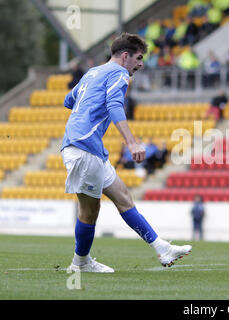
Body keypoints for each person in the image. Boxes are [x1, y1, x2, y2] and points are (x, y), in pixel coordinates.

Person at [62, 33, 191, 273]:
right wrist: (131, 143)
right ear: (125, 56)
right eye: (139, 58)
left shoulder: (92, 72)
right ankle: (80, 262)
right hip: (83, 147)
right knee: (89, 212)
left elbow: (69, 101)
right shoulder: (119, 73)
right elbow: (114, 105)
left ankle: (162, 248)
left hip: (89, 147)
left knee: (123, 197)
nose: (141, 64)